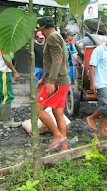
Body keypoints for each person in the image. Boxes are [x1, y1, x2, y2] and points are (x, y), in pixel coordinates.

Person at [36, 16, 70, 151]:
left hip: (57, 82)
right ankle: (64, 150)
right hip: (62, 81)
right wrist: (44, 79)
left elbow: (57, 61)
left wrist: (50, 82)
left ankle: (58, 136)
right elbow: (52, 62)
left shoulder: (52, 38)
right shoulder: (57, 36)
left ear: (43, 28)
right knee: (58, 113)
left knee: (37, 110)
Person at [0, 37, 21, 128]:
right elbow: (6, 57)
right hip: (3, 70)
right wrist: (14, 71)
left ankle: (1, 118)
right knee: (6, 95)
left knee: (0, 94)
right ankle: (7, 121)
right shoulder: (3, 39)